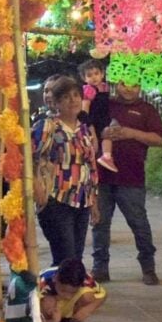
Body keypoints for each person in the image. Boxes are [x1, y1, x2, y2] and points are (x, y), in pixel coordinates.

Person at [91, 80, 162, 285]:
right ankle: (100, 268)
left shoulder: (146, 110)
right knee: (99, 224)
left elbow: (160, 139)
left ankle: (148, 268)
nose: (129, 89)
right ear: (117, 83)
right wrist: (102, 134)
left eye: (134, 85)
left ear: (141, 86)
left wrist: (132, 133)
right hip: (102, 177)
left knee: (139, 223)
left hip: (131, 178)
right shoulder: (105, 104)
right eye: (124, 84)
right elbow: (89, 128)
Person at [33, 76, 99, 267]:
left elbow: (91, 165)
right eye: (66, 97)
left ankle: (69, 294)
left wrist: (94, 200)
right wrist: (36, 187)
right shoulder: (47, 127)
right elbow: (27, 157)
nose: (73, 101)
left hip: (82, 200)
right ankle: (57, 293)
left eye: (76, 95)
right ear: (56, 102)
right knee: (65, 257)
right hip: (57, 200)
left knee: (76, 258)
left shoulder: (83, 129)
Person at [39, 258, 105, 322]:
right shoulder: (42, 280)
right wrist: (52, 321)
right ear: (55, 278)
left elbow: (103, 295)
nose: (67, 296)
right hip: (45, 312)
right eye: (63, 290)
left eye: (73, 292)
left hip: (65, 310)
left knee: (88, 297)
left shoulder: (86, 279)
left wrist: (87, 310)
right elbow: (27, 307)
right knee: (46, 300)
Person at [79, 60, 117, 172]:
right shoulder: (89, 89)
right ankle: (106, 157)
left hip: (104, 117)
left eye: (96, 73)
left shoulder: (105, 87)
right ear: (84, 78)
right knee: (106, 136)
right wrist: (87, 125)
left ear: (102, 74)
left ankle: (107, 156)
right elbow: (85, 109)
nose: (94, 77)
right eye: (89, 75)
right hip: (95, 120)